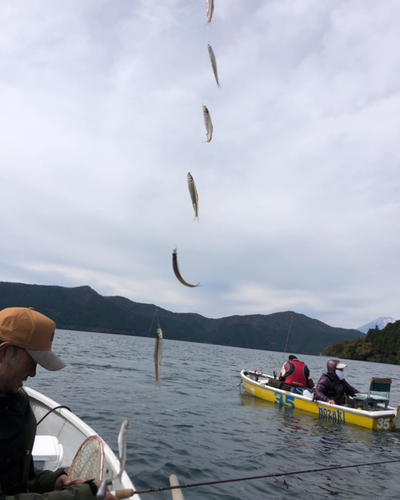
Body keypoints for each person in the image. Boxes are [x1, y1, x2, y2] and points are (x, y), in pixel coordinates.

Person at [0, 306, 117, 500]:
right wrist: (81, 496)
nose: (33, 374)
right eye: (31, 363)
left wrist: (51, 480)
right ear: (4, 352)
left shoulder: (16, 403)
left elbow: (15, 478)